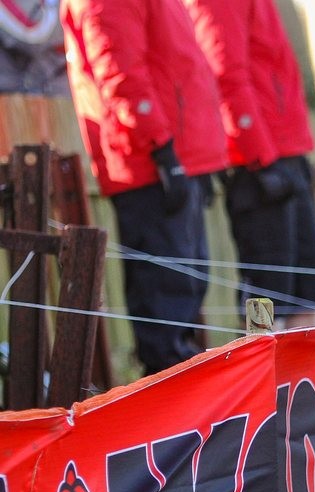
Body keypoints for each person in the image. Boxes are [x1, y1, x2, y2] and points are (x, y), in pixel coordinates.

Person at [61, 0, 227, 376]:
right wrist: (162, 150)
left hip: (172, 157)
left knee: (185, 294)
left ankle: (185, 409)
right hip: (150, 164)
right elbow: (120, 73)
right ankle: (172, 414)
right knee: (164, 311)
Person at [182, 0, 315, 330]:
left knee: (308, 292)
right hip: (257, 163)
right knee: (266, 296)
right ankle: (261, 376)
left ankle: (306, 378)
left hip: (287, 152)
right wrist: (260, 157)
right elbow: (225, 74)